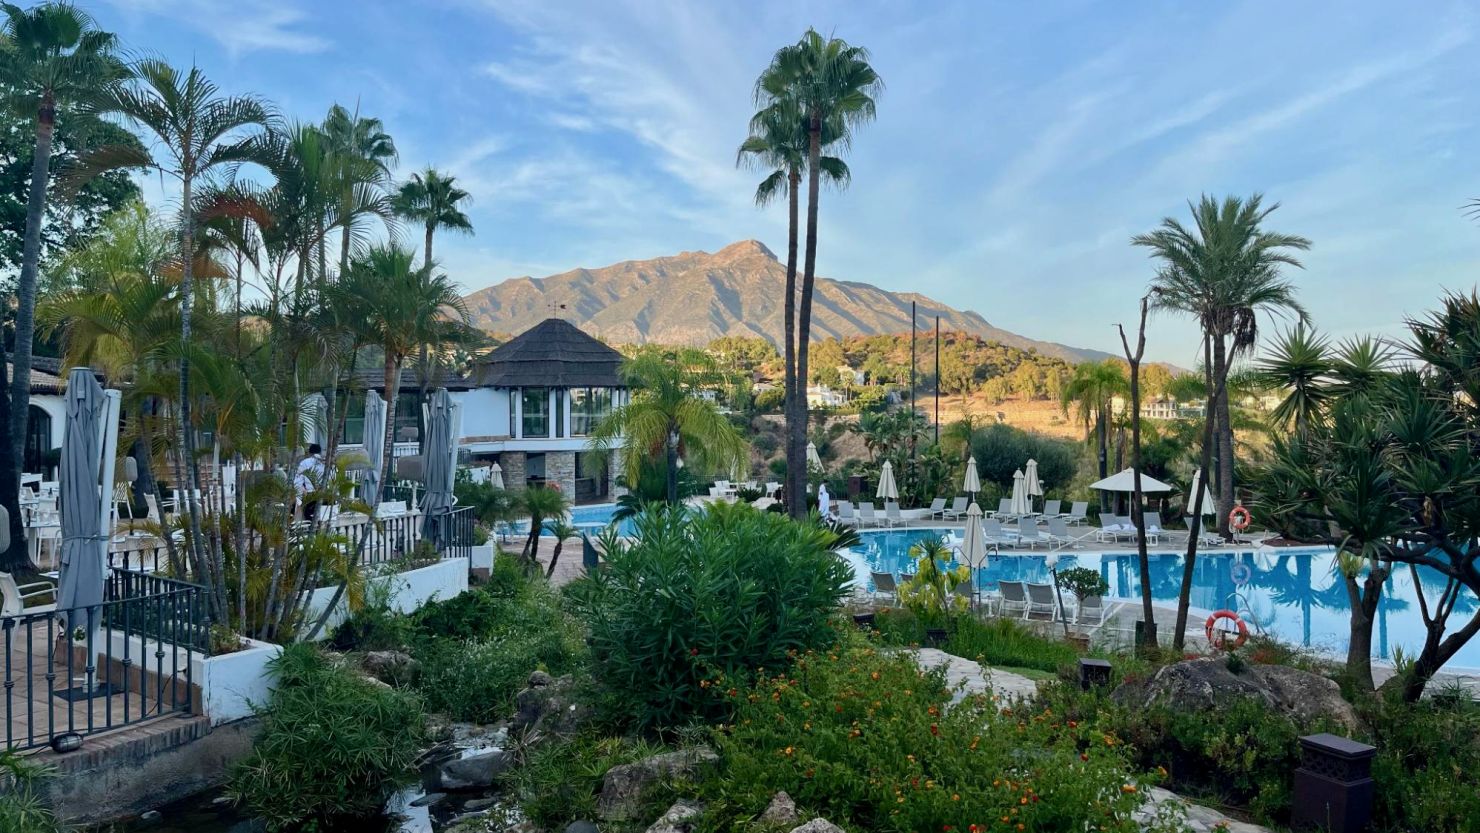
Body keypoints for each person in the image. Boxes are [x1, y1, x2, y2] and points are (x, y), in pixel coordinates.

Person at [295, 443, 326, 521]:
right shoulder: (325, 462)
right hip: (326, 494)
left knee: (309, 519)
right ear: (320, 452)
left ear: (309, 453)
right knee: (323, 518)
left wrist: (301, 495)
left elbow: (297, 481)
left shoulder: (305, 463)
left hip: (310, 495)